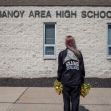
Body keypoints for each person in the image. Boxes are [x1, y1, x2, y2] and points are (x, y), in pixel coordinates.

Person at [57, 35, 85, 111]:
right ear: (73, 43)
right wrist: (82, 80)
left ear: (66, 43)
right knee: (75, 102)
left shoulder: (62, 54)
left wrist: (58, 80)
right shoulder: (78, 53)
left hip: (66, 82)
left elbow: (60, 69)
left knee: (66, 102)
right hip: (76, 82)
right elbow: (82, 69)